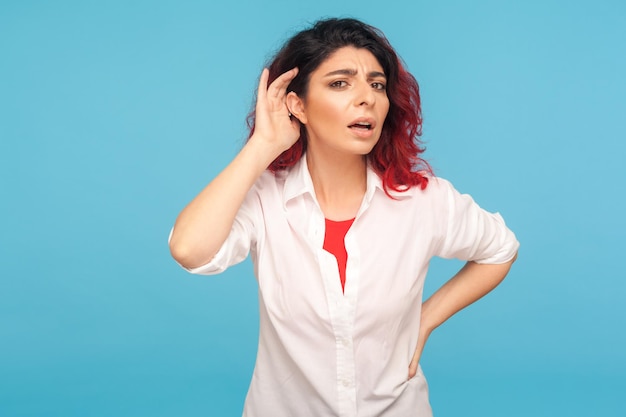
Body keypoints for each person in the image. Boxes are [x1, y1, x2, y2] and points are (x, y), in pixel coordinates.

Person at [169, 17, 519, 417]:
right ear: (296, 104)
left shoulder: (424, 199)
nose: (366, 97)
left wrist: (425, 319)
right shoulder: (265, 198)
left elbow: (501, 249)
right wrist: (263, 146)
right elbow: (188, 249)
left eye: (377, 84)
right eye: (340, 83)